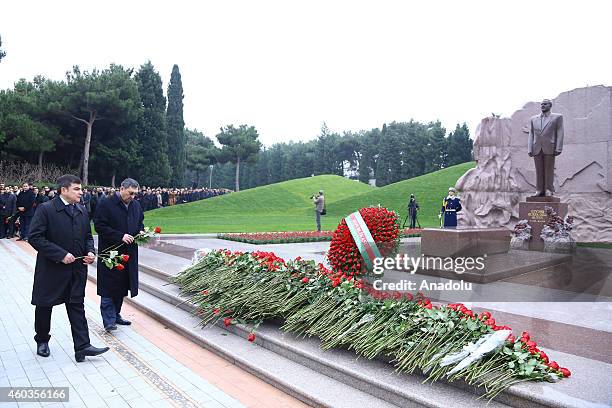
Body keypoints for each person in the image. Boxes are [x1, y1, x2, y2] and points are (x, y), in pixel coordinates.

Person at [28, 174, 109, 362]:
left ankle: (82, 347)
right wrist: (60, 254)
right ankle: (42, 340)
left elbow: (88, 236)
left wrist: (90, 251)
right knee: (44, 305)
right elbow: (35, 237)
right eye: (77, 189)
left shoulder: (81, 210)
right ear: (63, 190)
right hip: (51, 269)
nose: (81, 192)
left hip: (77, 270)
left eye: (81, 189)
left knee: (76, 305)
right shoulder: (46, 209)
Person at [93, 178, 144, 332]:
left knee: (122, 285)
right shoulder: (106, 203)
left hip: (129, 252)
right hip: (111, 251)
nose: (133, 197)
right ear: (121, 188)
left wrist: (141, 231)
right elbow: (99, 226)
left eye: (135, 194)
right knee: (108, 286)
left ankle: (116, 315)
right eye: (130, 193)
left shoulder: (135, 205)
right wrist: (119, 236)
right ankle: (108, 320)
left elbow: (140, 221)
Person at [528, 99, 564, 197]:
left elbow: (560, 132)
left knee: (549, 169)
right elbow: (531, 133)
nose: (543, 106)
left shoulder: (557, 117)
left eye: (545, 104)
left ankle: (549, 189)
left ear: (550, 105)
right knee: (538, 170)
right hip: (536, 148)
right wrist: (530, 148)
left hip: (550, 147)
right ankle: (539, 190)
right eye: (541, 104)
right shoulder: (533, 119)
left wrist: (559, 147)